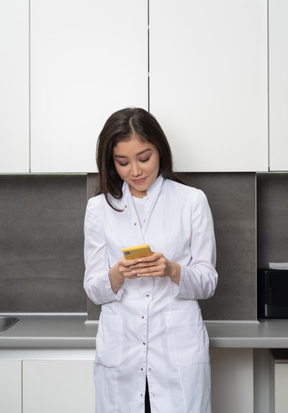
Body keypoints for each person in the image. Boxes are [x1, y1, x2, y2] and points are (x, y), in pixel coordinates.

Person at [83, 107, 218, 413]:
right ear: (110, 162)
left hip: (177, 353)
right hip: (122, 352)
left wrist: (172, 270)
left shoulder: (191, 201)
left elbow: (208, 281)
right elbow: (93, 287)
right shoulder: (99, 209)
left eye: (144, 158)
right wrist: (117, 274)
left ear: (160, 151)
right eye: (123, 162)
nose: (135, 171)